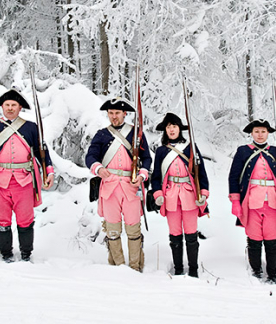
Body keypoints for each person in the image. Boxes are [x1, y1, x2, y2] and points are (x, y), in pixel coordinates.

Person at [0, 89, 54, 262]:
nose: (10, 108)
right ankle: (6, 254)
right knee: (1, 219)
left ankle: (26, 254)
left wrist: (48, 172)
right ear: (2, 107)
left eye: (14, 105)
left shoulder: (30, 128)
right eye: (7, 105)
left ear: (20, 107)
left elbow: (41, 152)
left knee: (26, 220)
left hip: (25, 180)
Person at [85, 97, 152, 271]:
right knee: (113, 230)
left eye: (117, 113)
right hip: (109, 187)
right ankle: (117, 267)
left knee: (133, 230)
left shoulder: (136, 133)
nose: (114, 117)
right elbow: (90, 157)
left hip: (131, 186)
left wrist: (143, 175)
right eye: (111, 113)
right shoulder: (101, 134)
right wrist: (98, 168)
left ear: (125, 114)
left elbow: (146, 158)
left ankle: (136, 267)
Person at [228, 119, 276, 283]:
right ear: (251, 133)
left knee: (272, 239)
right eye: (257, 131)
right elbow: (234, 177)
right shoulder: (243, 151)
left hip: (273, 201)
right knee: (254, 238)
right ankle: (256, 271)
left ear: (268, 133)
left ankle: (272, 274)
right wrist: (235, 201)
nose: (260, 135)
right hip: (251, 201)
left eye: (263, 131)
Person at [150, 112, 209, 277]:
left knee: (191, 234)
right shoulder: (161, 151)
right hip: (170, 196)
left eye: (174, 126)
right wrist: (158, 194)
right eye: (168, 127)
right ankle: (177, 269)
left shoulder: (191, 148)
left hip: (189, 195)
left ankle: (193, 270)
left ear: (179, 129)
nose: (171, 129)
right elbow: (156, 177)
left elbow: (201, 172)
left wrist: (203, 192)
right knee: (175, 235)